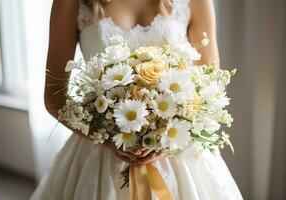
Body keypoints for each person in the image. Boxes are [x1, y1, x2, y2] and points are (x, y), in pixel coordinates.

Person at [31, 0, 243, 199]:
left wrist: (166, 138)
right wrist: (107, 139)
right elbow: (54, 98)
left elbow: (211, 87)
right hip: (99, 152)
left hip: (177, 146)